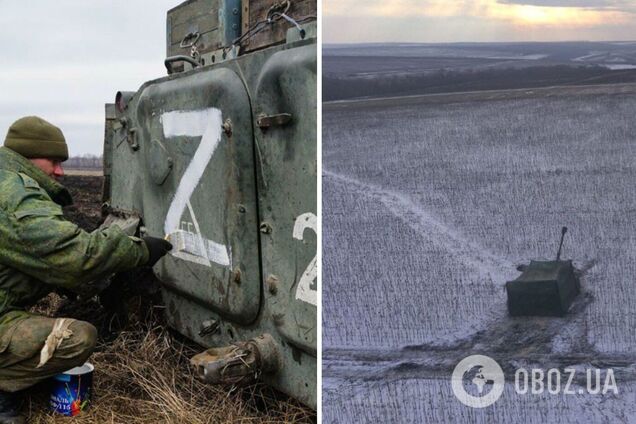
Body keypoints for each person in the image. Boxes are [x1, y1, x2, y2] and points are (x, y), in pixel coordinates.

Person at [0, 116, 172, 423]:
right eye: (53, 161)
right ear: (27, 156)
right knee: (76, 337)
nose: (60, 171)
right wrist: (142, 251)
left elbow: (37, 259)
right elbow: (76, 256)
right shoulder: (13, 196)